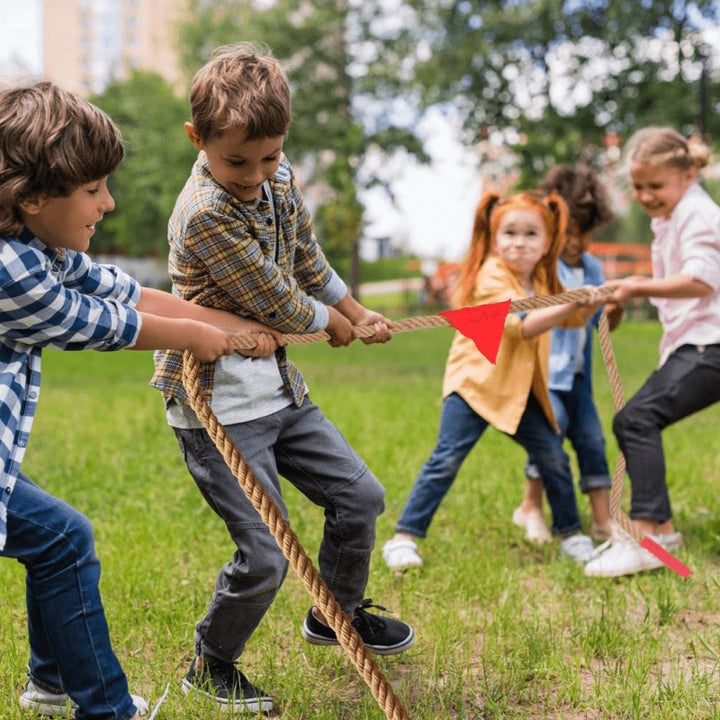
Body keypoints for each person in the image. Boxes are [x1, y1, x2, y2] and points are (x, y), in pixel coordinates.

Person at [0, 82, 280, 719]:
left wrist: (233, 326)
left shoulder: (38, 246)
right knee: (64, 540)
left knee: (58, 540)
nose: (110, 201)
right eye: (94, 188)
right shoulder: (9, 271)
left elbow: (128, 295)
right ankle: (107, 708)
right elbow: (105, 324)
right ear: (35, 196)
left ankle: (52, 684)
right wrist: (198, 337)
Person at [150, 42, 414, 714]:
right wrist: (330, 321)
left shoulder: (280, 177)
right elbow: (276, 297)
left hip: (277, 393)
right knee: (266, 554)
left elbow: (303, 256)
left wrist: (355, 309)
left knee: (360, 497)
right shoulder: (204, 211)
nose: (255, 174)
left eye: (269, 157)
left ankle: (337, 613)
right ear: (198, 139)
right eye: (237, 160)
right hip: (215, 406)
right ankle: (210, 665)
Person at [382, 189, 604, 571]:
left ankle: (571, 533)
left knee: (552, 454)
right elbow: (523, 327)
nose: (519, 243)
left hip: (519, 389)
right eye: (510, 233)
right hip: (474, 385)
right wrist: (571, 302)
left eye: (531, 234)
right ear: (494, 237)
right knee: (447, 459)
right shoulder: (491, 275)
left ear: (547, 241)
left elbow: (570, 319)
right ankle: (404, 538)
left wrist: (591, 301)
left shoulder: (543, 279)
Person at [584, 127, 720, 578]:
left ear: (689, 173)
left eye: (655, 185)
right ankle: (660, 530)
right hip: (696, 342)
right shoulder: (672, 218)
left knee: (636, 418)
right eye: (638, 186)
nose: (645, 195)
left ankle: (648, 535)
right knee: (638, 418)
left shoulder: (698, 215)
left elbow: (702, 281)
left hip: (710, 344)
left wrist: (636, 285)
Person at [513, 164, 624, 545]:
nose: (576, 242)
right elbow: (527, 320)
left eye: (585, 233)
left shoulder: (592, 267)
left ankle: (603, 520)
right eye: (569, 233)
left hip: (577, 379)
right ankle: (530, 507)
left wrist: (613, 309)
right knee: (549, 441)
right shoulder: (542, 268)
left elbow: (601, 325)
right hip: (545, 379)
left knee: (593, 442)